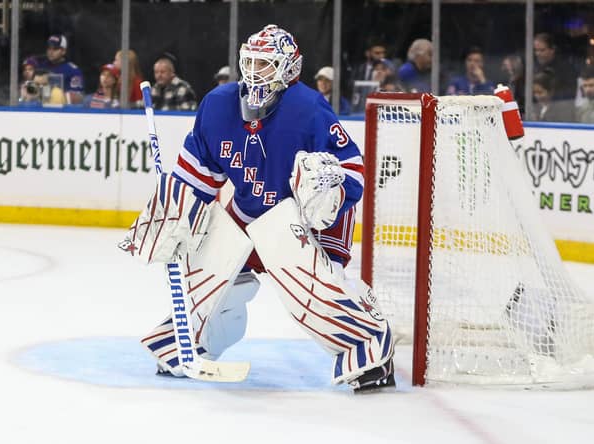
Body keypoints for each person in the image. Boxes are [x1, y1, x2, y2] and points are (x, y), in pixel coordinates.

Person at [120, 24, 395, 393]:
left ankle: (367, 340)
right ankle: (193, 340)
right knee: (211, 255)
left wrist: (327, 186)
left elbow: (354, 172)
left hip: (311, 219)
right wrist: (174, 213)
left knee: (305, 284)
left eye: (266, 64)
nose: (255, 73)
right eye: (250, 62)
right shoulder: (218, 105)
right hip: (251, 211)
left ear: (289, 71)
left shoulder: (307, 108)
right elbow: (194, 179)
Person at [37, 34, 84, 105]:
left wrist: (50, 83)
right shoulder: (41, 66)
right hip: (40, 108)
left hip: (63, 112)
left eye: (55, 49)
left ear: (63, 51)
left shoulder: (73, 70)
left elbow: (78, 98)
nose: (51, 52)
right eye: (49, 48)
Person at [533, 32, 578, 102]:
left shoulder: (566, 67)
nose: (538, 54)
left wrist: (550, 96)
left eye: (542, 50)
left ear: (552, 49)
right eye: (536, 50)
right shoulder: (534, 67)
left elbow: (572, 92)